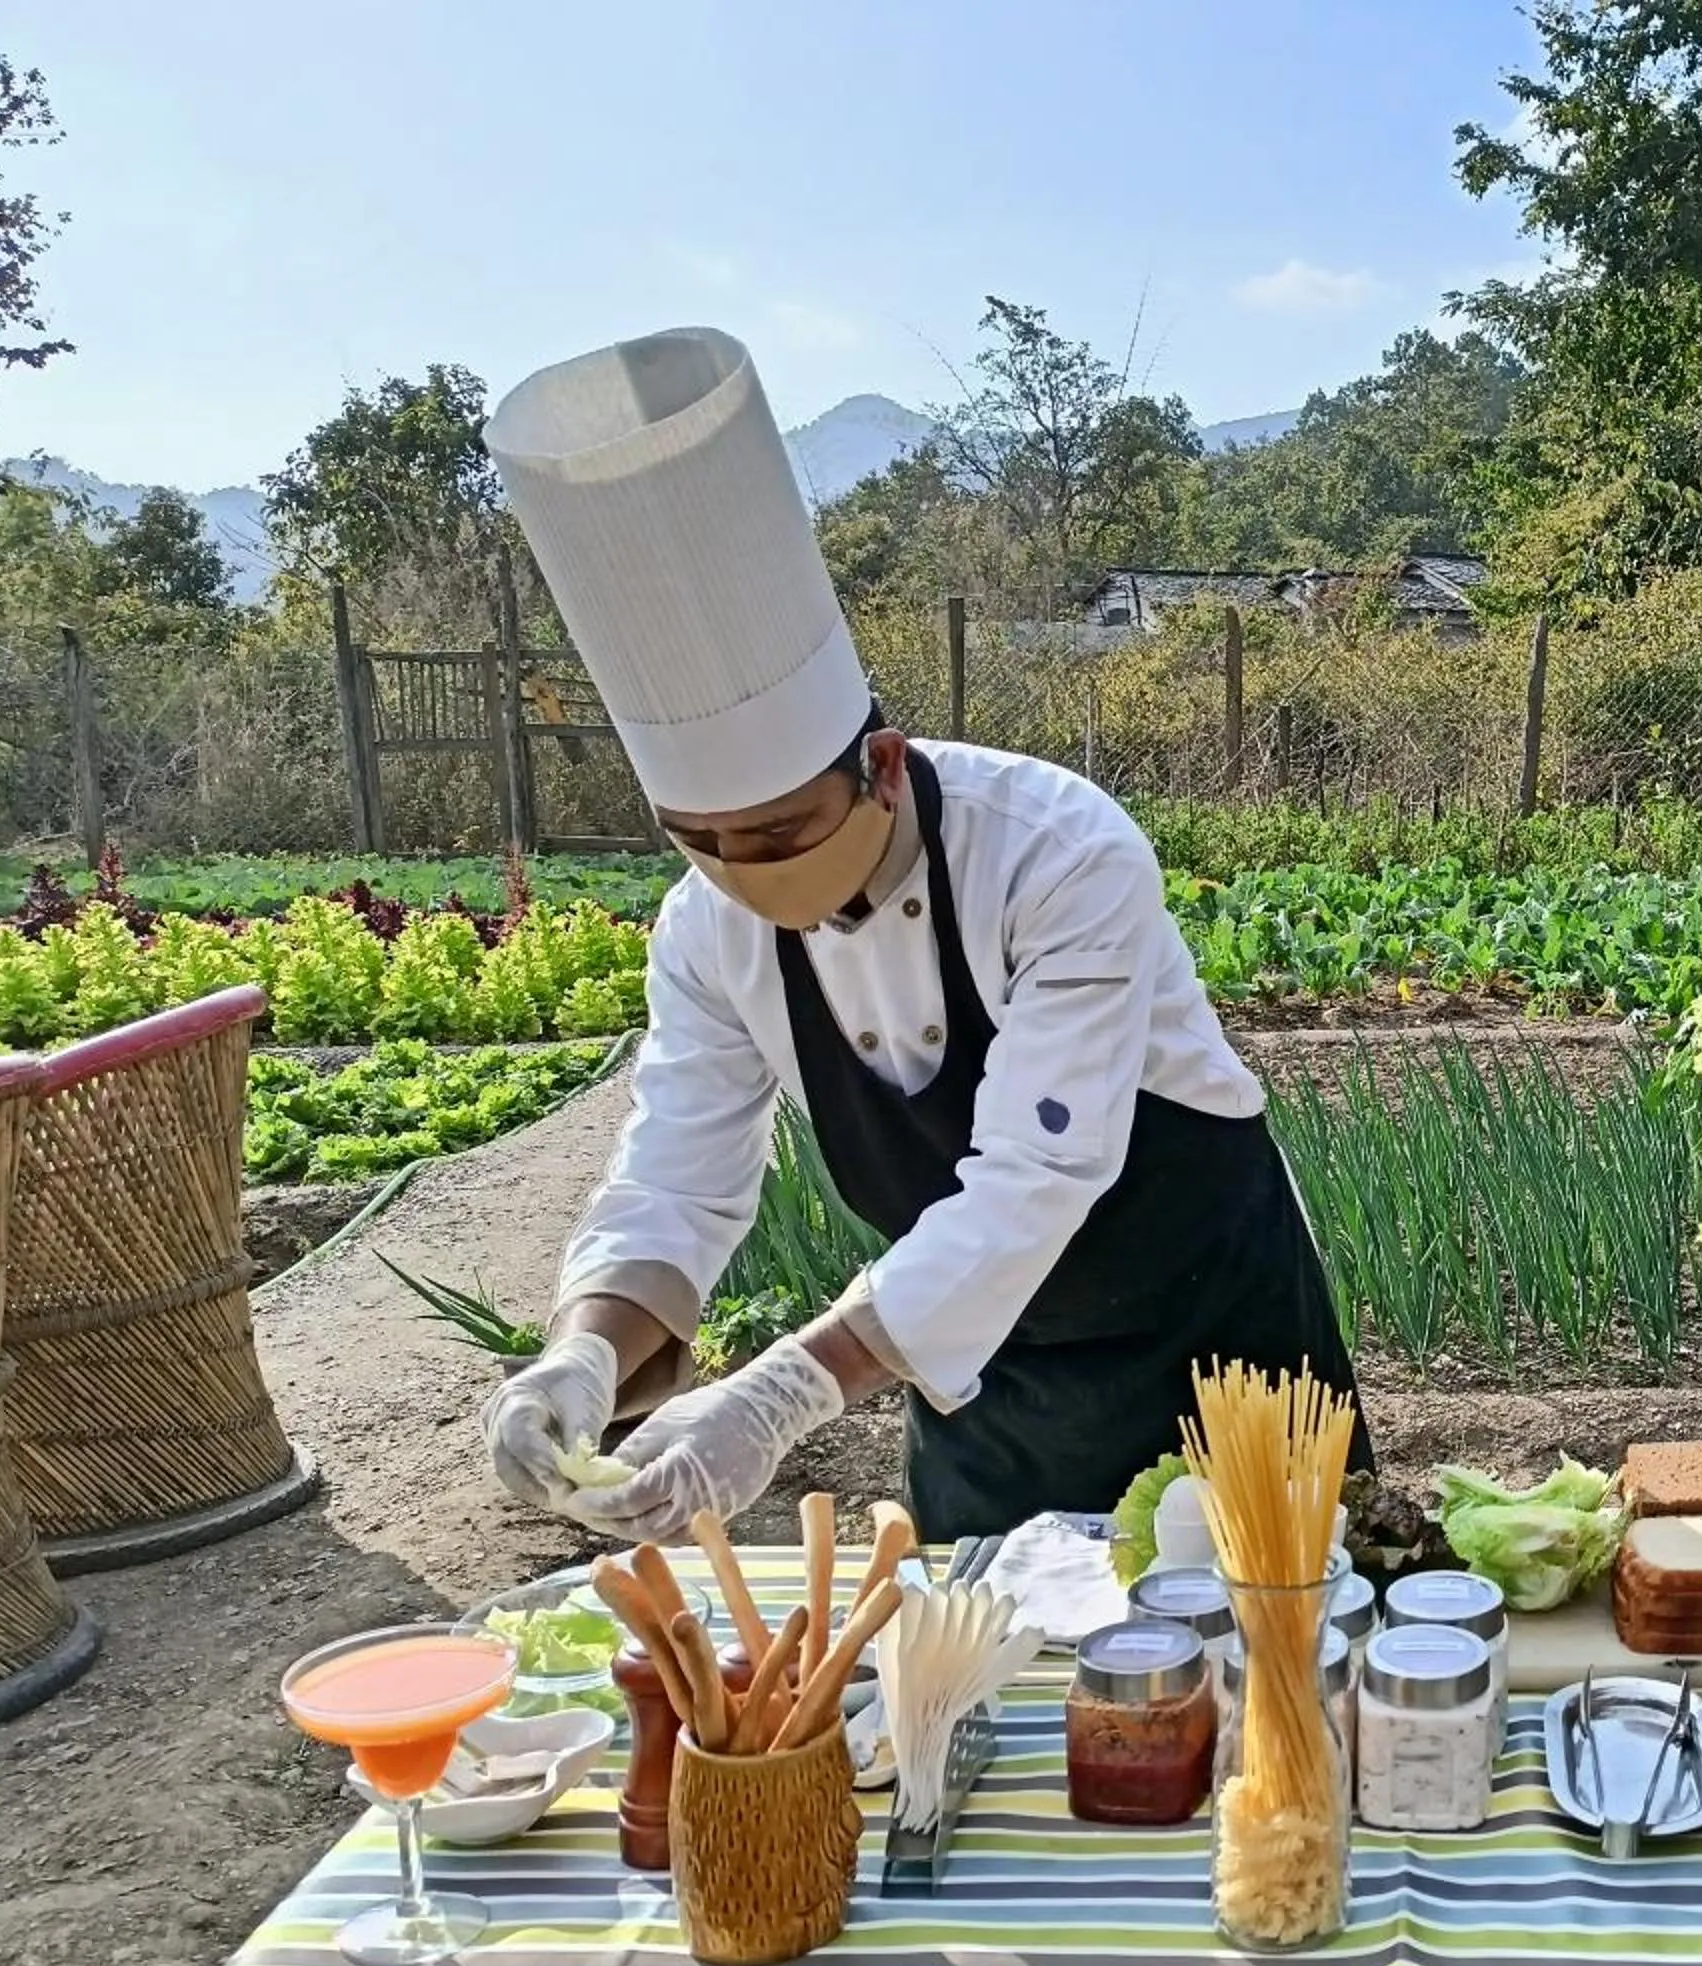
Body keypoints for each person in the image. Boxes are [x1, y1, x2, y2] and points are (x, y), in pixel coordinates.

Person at [475, 326, 1366, 1544]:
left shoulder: (1057, 850)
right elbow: (678, 1178)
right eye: (701, 839)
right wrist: (581, 1351)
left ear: (881, 767)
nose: (747, 879)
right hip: (974, 1373)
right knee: (988, 1686)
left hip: (1207, 1344)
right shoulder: (707, 934)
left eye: (782, 834)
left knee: (1266, 1666)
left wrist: (787, 1389)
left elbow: (1036, 1175)